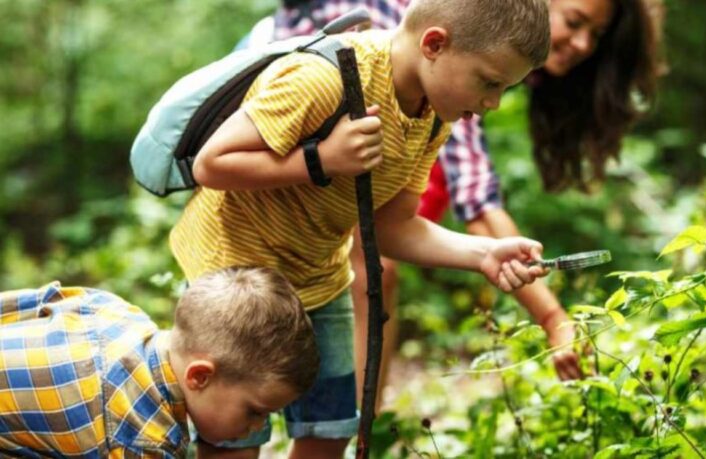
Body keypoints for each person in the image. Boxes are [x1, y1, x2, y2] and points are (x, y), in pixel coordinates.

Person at [170, 0, 552, 457]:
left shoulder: (431, 117)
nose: (493, 103)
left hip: (319, 276)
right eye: (489, 82)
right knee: (234, 432)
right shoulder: (323, 78)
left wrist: (483, 254)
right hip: (236, 276)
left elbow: (392, 228)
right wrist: (321, 159)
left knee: (330, 430)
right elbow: (213, 164)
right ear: (434, 43)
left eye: (505, 88)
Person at [0, 267, 319, 458]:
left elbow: (31, 302)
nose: (258, 427)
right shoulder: (147, 437)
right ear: (199, 377)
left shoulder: (116, 312)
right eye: (255, 411)